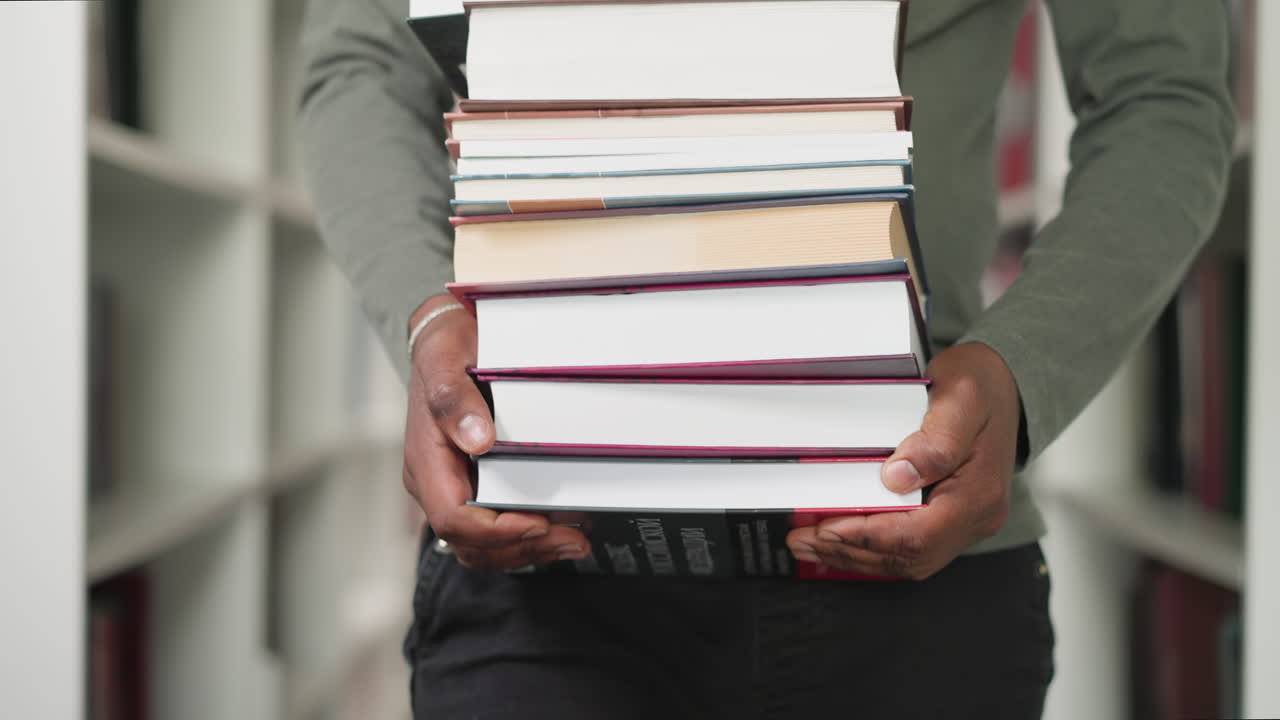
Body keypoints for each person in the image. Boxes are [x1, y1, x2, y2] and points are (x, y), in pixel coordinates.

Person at [296, 0, 1235, 717]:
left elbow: (1164, 92)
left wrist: (1020, 372)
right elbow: (363, 57)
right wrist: (426, 320)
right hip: (539, 537)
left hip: (913, 535)